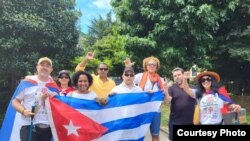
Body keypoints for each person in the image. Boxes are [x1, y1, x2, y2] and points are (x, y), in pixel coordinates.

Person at [12, 57, 58, 141]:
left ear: (51, 69)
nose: (44, 67)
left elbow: (57, 108)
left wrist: (51, 100)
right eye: (42, 65)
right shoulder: (26, 83)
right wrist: (23, 111)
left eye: (48, 66)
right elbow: (15, 101)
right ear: (37, 67)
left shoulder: (54, 87)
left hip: (47, 128)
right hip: (28, 125)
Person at [132, 56, 163, 141]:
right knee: (138, 135)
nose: (152, 66)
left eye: (154, 64)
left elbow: (163, 95)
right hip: (141, 110)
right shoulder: (140, 76)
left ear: (157, 66)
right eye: (149, 64)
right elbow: (128, 83)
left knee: (155, 135)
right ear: (146, 66)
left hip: (156, 111)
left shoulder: (161, 80)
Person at [164, 68, 196, 141]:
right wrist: (165, 91)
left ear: (183, 75)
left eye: (179, 75)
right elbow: (167, 101)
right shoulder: (172, 88)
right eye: (175, 76)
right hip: (175, 121)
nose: (177, 77)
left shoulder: (193, 88)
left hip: (190, 122)